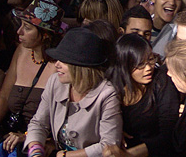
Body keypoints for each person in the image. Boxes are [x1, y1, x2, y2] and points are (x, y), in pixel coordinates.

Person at [0, 0, 64, 157]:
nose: (19, 32)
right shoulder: (21, 50)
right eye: (21, 25)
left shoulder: (60, 66)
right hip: (7, 133)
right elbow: (4, 97)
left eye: (27, 28)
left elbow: (58, 120)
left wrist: (27, 137)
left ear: (46, 35)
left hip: (35, 141)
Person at [23, 27, 122, 156]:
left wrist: (65, 155)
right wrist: (36, 152)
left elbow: (109, 145)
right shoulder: (55, 82)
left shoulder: (107, 94)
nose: (57, 64)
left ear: (80, 66)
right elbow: (39, 123)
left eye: (63, 60)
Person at [104, 33, 179, 156]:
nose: (148, 68)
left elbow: (169, 133)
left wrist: (129, 155)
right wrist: (114, 129)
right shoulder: (111, 86)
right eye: (140, 65)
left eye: (150, 59)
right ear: (124, 65)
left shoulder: (161, 80)